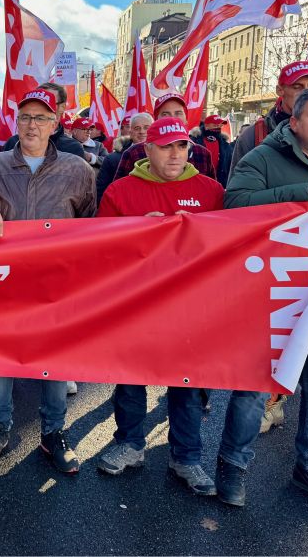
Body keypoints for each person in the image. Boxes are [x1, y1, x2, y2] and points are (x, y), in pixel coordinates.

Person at [218, 88, 308, 514]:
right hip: (275, 294)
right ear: (293, 123)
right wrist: (301, 195)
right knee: (256, 386)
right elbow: (234, 205)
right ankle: (232, 466)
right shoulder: (262, 157)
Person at [0, 85, 96, 472]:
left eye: (40, 118)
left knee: (54, 359)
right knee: (3, 358)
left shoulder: (78, 170)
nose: (31, 125)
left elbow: (91, 222)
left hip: (57, 284)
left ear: (55, 124)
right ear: (16, 122)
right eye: (25, 117)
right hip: (5, 281)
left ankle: (53, 433)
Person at [96, 118, 224, 495]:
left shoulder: (211, 190)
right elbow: (99, 249)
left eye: (181, 146)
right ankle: (130, 444)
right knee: (131, 378)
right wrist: (136, 232)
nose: (174, 154)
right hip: (137, 300)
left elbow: (228, 247)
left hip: (190, 304)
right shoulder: (121, 191)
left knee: (185, 382)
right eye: (165, 146)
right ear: (146, 149)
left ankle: (186, 457)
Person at [229, 60, 308, 173]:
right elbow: (237, 188)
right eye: (297, 87)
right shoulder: (253, 135)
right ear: (280, 90)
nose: (306, 92)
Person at [111, 94, 215, 182]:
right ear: (155, 121)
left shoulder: (203, 154)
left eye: (178, 113)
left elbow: (211, 195)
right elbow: (120, 193)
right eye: (165, 114)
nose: (172, 118)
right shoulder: (133, 152)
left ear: (186, 119)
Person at [2, 83, 85, 158]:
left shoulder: (72, 148)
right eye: (36, 103)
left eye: (49, 102)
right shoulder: (13, 142)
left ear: (62, 107)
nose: (39, 108)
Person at [97, 115, 151, 204]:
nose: (142, 131)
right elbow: (102, 193)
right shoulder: (112, 159)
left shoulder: (164, 156)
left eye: (146, 128)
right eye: (137, 128)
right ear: (130, 132)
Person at [191, 114, 233, 186]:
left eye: (220, 125)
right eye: (215, 125)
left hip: (220, 184)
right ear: (206, 126)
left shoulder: (225, 145)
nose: (218, 127)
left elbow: (230, 166)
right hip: (198, 183)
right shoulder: (193, 141)